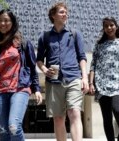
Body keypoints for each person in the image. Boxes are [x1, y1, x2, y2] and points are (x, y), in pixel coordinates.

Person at [0, 9, 43, 141]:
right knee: (4, 131)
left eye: (6, 20)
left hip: (19, 88)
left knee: (14, 127)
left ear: (12, 23)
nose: (2, 23)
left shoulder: (22, 43)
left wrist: (37, 89)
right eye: (0, 20)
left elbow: (31, 68)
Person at [36, 2, 89, 141]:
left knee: (74, 113)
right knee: (58, 118)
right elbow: (39, 59)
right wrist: (44, 69)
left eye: (66, 12)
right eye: (61, 12)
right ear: (53, 15)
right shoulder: (44, 36)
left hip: (74, 78)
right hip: (53, 81)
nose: (65, 14)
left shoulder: (75, 34)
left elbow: (82, 58)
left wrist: (85, 78)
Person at [88, 17, 119, 141]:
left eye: (111, 25)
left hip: (118, 83)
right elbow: (93, 65)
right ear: (104, 29)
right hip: (101, 84)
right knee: (107, 117)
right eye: (106, 26)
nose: (109, 28)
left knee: (117, 109)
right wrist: (91, 83)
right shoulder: (99, 45)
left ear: (116, 26)